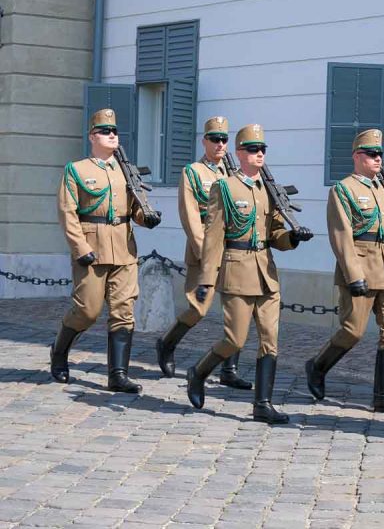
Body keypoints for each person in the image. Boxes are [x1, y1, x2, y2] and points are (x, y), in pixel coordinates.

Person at [185, 124, 313, 423]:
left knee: (270, 339)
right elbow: (214, 236)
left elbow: (276, 233)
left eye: (263, 150)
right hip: (237, 269)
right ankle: (198, 372)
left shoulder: (270, 189)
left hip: (265, 271)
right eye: (253, 149)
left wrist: (292, 238)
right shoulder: (224, 187)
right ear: (239, 153)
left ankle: (262, 404)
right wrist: (206, 279)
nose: (259, 154)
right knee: (235, 340)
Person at [305, 129, 384, 412]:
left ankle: (383, 396)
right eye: (371, 154)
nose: (377, 159)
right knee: (352, 331)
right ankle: (317, 366)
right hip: (361, 268)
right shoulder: (343, 190)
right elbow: (341, 236)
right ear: (357, 156)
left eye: (380, 154)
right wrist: (354, 275)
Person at [51, 108, 156, 393]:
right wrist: (80, 247)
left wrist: (147, 217)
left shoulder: (127, 171)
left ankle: (117, 375)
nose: (112, 135)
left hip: (124, 247)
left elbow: (136, 209)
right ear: (92, 137)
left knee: (124, 311)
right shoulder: (77, 169)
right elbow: (67, 212)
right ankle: (59, 352)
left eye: (115, 131)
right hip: (92, 246)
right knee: (87, 311)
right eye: (105, 131)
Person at [155, 116, 249, 389]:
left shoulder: (235, 172)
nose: (220, 144)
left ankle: (229, 369)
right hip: (206, 248)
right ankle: (166, 343)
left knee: (238, 310)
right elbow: (190, 215)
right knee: (198, 308)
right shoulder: (193, 172)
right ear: (204, 141)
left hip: (235, 250)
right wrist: (206, 252)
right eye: (215, 139)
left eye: (224, 139)